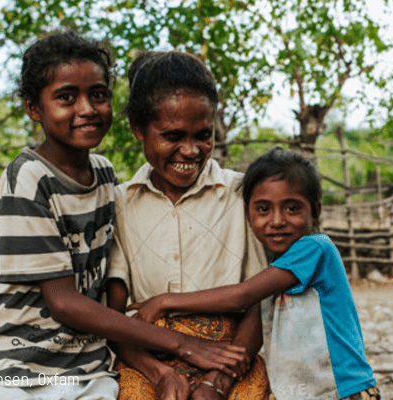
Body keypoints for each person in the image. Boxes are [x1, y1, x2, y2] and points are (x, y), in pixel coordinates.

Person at [0, 31, 247, 400]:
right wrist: (183, 346)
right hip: (11, 362)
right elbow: (64, 301)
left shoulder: (105, 177)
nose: (87, 108)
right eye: (66, 97)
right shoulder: (27, 178)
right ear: (33, 107)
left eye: (98, 94)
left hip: (85, 368)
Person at [127, 147, 382, 400]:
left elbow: (242, 296)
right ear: (248, 214)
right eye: (263, 209)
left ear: (315, 210)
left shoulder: (316, 248)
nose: (277, 220)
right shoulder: (276, 267)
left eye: (292, 208)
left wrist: (164, 301)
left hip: (345, 390)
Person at [106, 51, 271, 400]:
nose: (191, 150)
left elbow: (259, 301)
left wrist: (217, 382)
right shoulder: (120, 203)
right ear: (138, 128)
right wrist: (160, 373)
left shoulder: (240, 194)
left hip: (231, 361)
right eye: (173, 135)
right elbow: (114, 319)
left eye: (203, 135)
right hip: (148, 361)